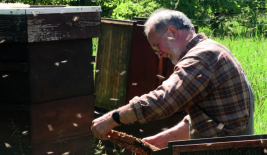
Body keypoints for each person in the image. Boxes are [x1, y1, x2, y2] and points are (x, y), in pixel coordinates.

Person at [91, 8, 254, 149]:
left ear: (173, 32)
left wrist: (112, 119)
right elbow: (205, 119)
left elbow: (163, 100)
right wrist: (160, 141)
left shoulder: (201, 57)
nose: (160, 55)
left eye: (157, 46)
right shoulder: (210, 48)